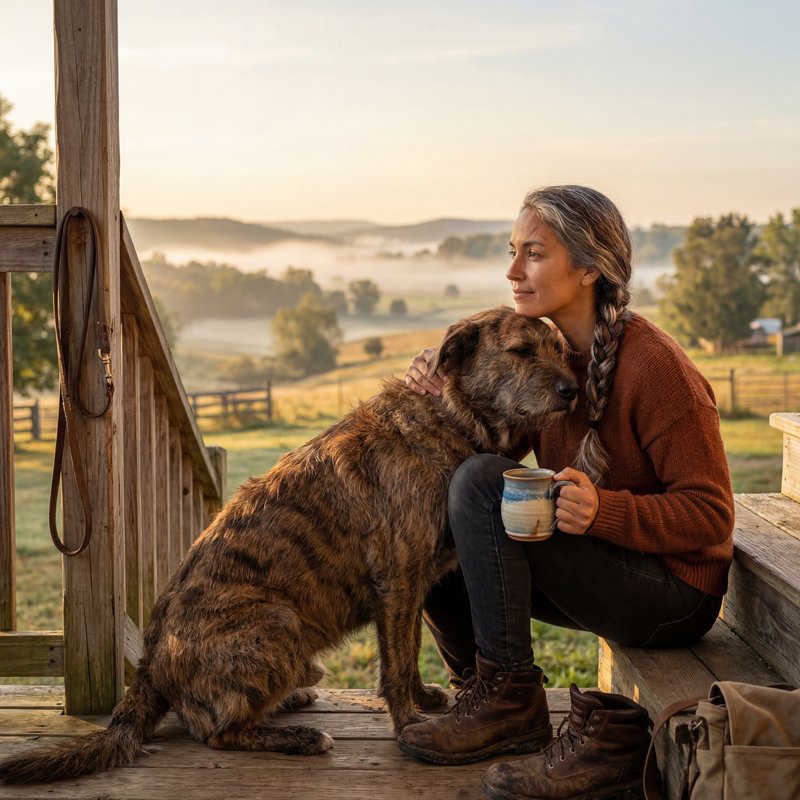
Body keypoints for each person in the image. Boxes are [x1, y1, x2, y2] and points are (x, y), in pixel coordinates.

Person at [397, 185, 735, 799]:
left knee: (474, 484)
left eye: (534, 253)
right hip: (604, 568)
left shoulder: (658, 369)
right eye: (512, 251)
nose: (512, 271)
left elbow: (712, 517)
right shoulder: (555, 356)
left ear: (587, 268)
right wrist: (441, 385)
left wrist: (604, 510)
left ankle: (509, 699)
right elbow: (489, 462)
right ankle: (484, 690)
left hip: (673, 593)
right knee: (444, 514)